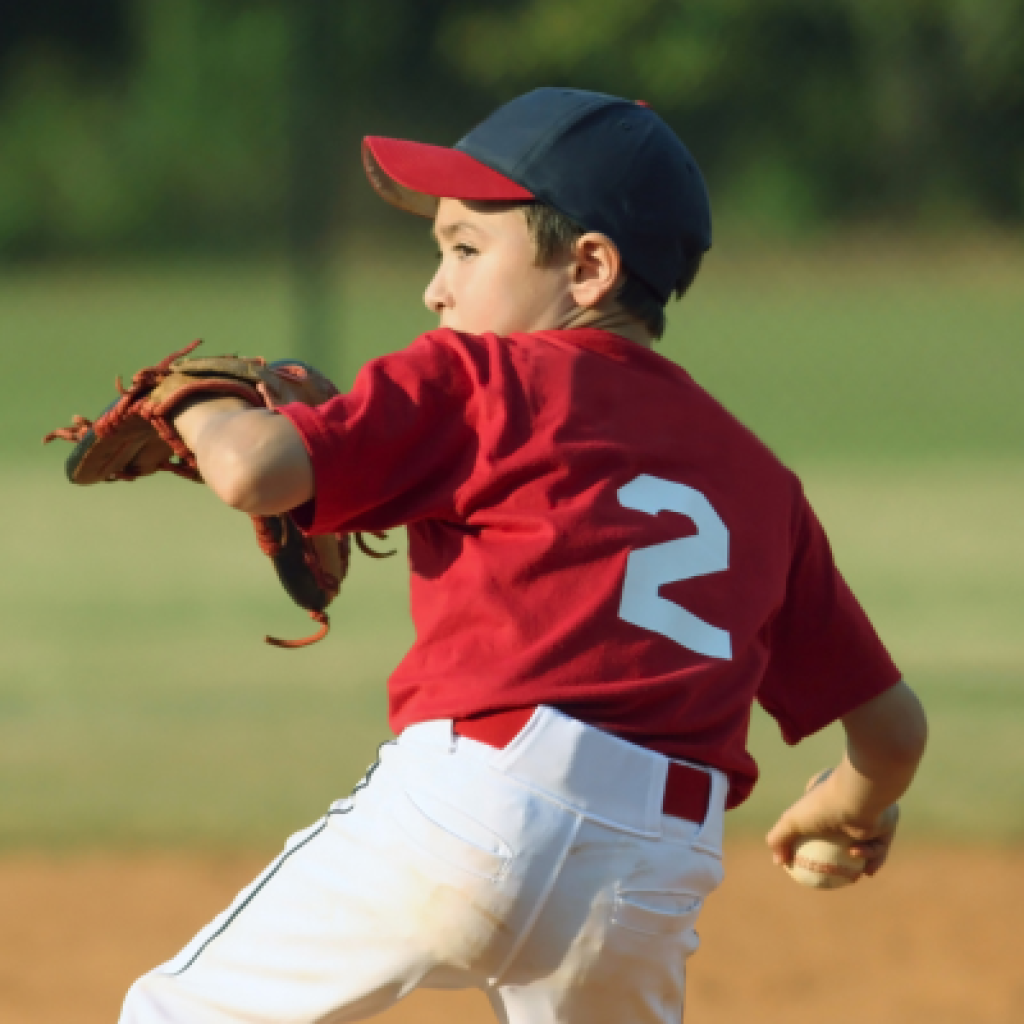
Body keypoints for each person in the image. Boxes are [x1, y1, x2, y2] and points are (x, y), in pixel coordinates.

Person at [119, 88, 927, 1024]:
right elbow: (893, 733)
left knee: (179, 1014)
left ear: (587, 268)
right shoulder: (759, 480)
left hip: (474, 809)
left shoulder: (481, 375)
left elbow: (255, 472)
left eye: (465, 247)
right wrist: (854, 807)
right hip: (654, 870)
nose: (435, 288)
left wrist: (193, 403)